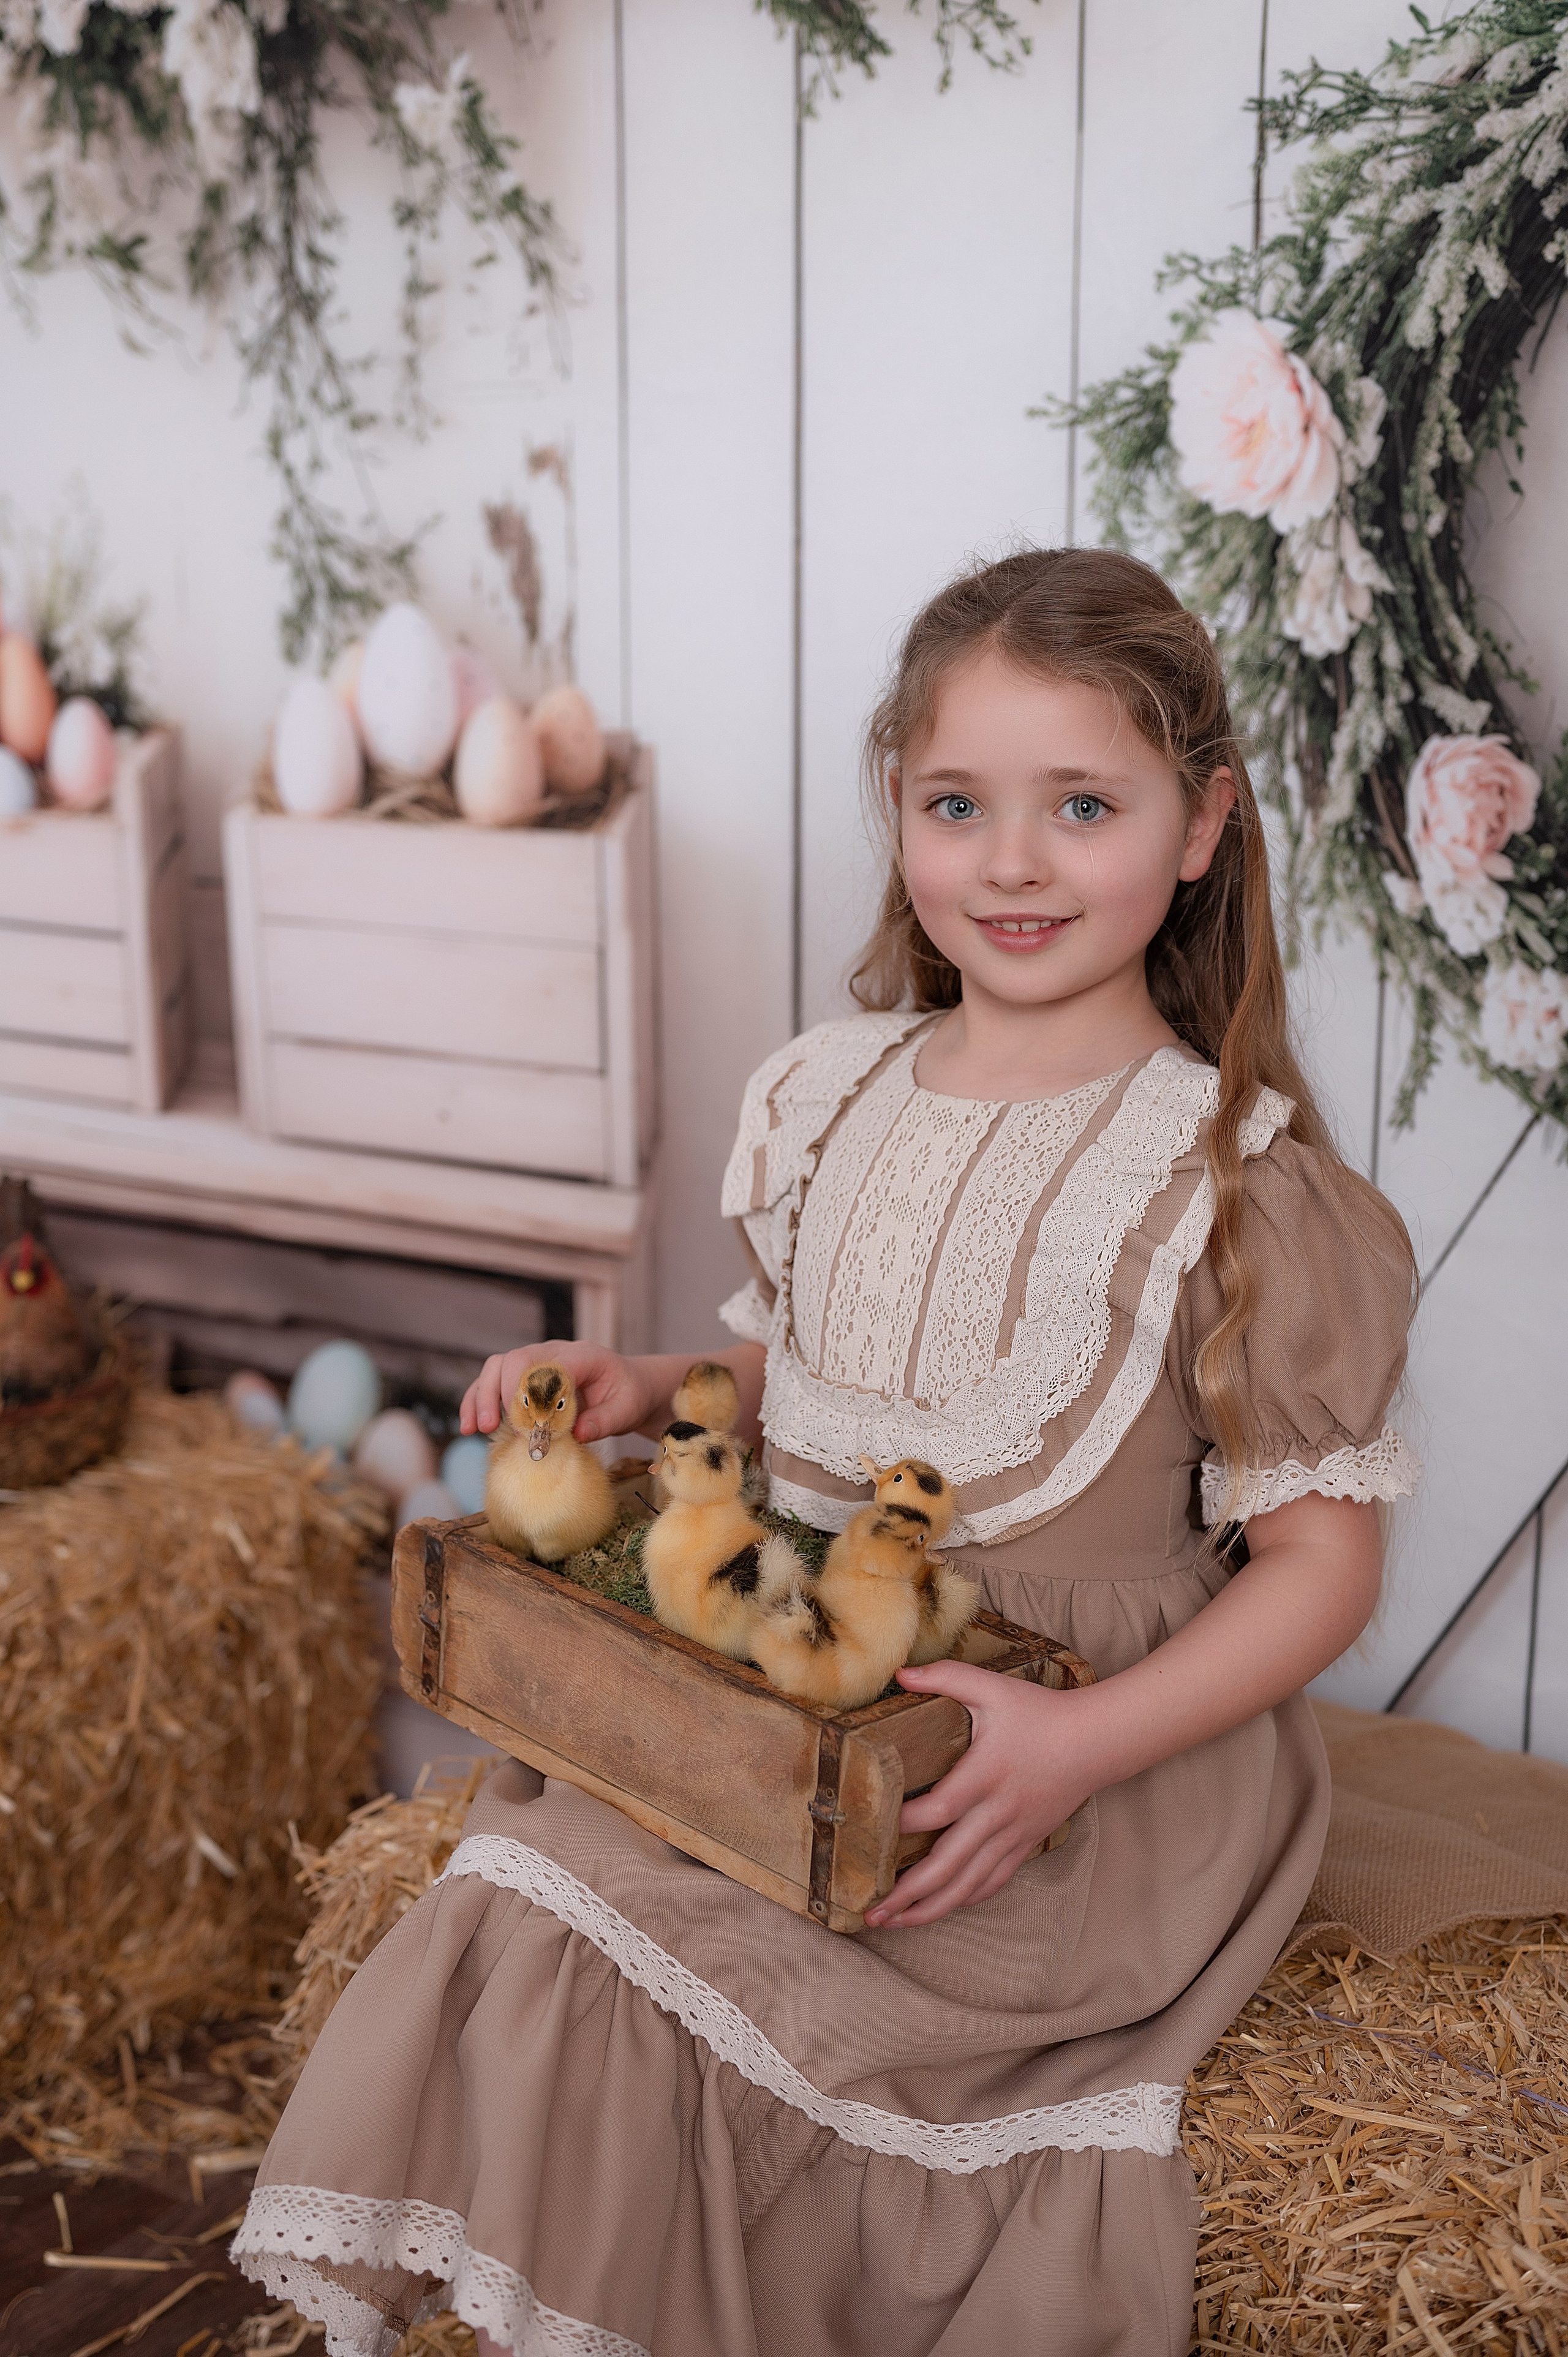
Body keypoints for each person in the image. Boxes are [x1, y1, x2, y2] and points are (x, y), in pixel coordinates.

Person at [233, 548, 1419, 2356]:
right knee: (523, 1888)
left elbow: (1325, 1567)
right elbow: (826, 1386)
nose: (1011, 864)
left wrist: (1078, 1745)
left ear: (1201, 826)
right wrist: (649, 1385)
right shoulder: (831, 1098)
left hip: (1053, 1760)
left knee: (620, 1947)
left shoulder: (1244, 1185)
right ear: (900, 810)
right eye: (961, 804)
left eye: (1082, 805)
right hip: (793, 1702)